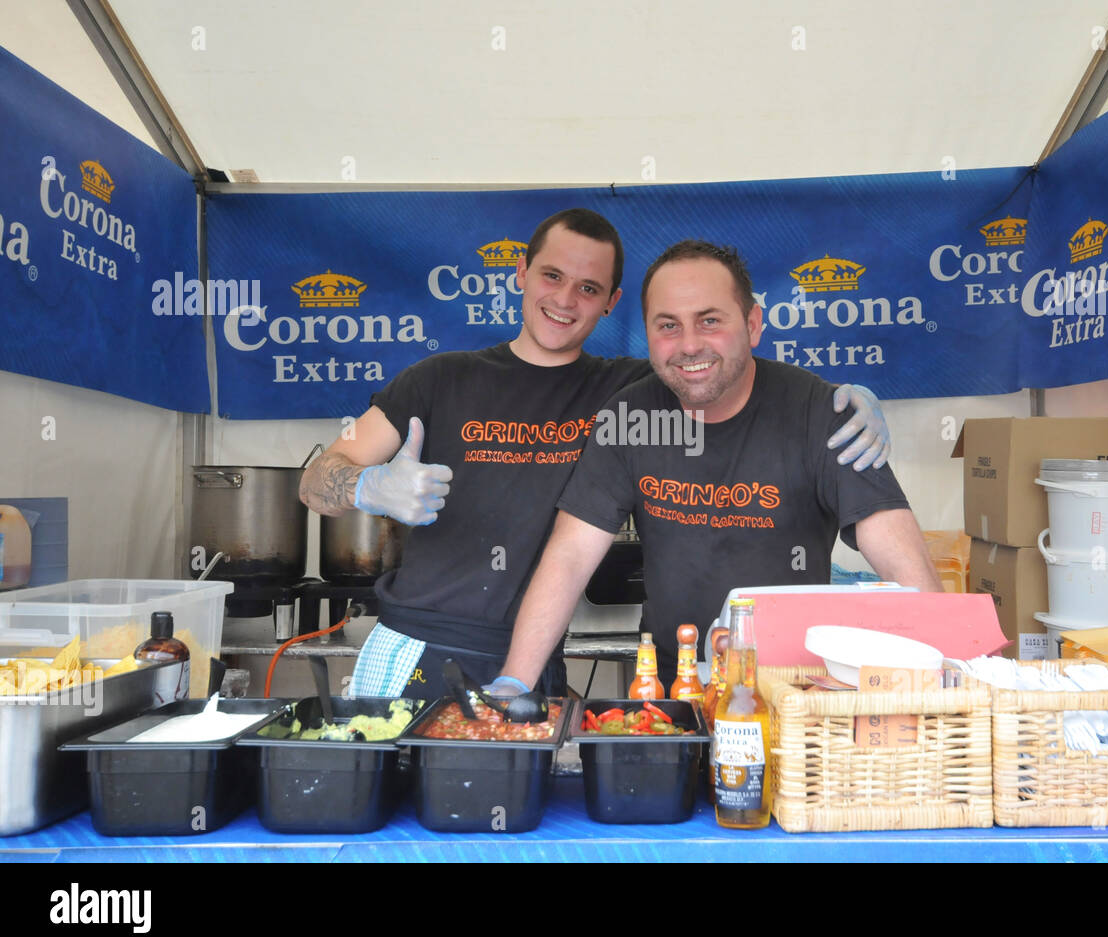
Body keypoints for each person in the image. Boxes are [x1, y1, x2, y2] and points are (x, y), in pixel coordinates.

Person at [300, 212, 895, 702]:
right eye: (551, 276)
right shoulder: (437, 381)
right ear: (520, 274)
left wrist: (846, 399)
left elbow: (719, 370)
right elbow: (314, 480)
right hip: (415, 641)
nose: (565, 300)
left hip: (533, 654)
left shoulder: (633, 391)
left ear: (610, 304)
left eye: (587, 288)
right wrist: (365, 487)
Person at [497, 239, 942, 692]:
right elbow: (570, 556)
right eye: (668, 325)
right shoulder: (630, 416)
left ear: (752, 325)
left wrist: (953, 681)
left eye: (709, 321)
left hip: (794, 692)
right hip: (674, 690)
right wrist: (515, 681)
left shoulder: (823, 413)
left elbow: (900, 559)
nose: (689, 345)